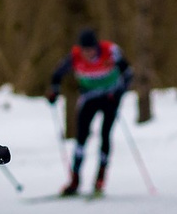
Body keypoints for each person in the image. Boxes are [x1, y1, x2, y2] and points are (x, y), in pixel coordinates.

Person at [50, 26, 133, 197]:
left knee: (105, 134)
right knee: (81, 137)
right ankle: (75, 180)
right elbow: (57, 74)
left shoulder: (111, 51)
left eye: (91, 49)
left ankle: (100, 179)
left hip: (110, 97)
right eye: (84, 50)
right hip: (89, 97)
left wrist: (119, 93)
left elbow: (128, 72)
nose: (88, 53)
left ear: (96, 46)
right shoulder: (74, 56)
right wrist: (54, 91)